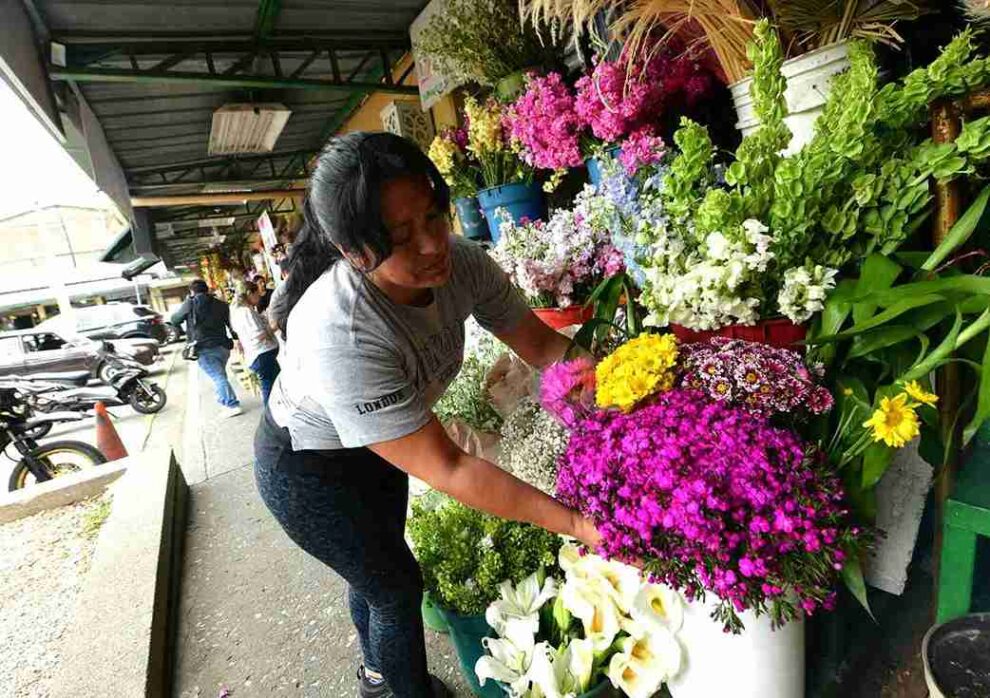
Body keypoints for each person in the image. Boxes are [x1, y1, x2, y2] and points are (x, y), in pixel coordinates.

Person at [256, 133, 601, 698]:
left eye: (435, 216)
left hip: (375, 446)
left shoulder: (461, 264)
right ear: (353, 250)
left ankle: (375, 672)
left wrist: (607, 385)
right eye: (400, 237)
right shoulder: (340, 330)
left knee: (376, 563)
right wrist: (577, 524)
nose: (431, 245)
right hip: (307, 468)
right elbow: (451, 467)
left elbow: (544, 347)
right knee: (393, 586)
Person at [171, 280, 243, 418]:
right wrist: (236, 339)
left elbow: (175, 320)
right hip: (223, 347)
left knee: (218, 377)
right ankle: (224, 400)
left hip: (204, 347)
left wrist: (187, 301)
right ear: (207, 289)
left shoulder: (190, 304)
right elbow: (231, 325)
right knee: (220, 374)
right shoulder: (221, 304)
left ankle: (231, 404)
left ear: (192, 292)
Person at [230, 282, 280, 405]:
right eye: (257, 294)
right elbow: (258, 336)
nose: (259, 297)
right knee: (271, 387)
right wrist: (274, 327)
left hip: (257, 355)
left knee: (271, 385)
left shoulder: (237, 311)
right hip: (263, 354)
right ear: (249, 294)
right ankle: (271, 415)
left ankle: (273, 413)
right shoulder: (246, 312)